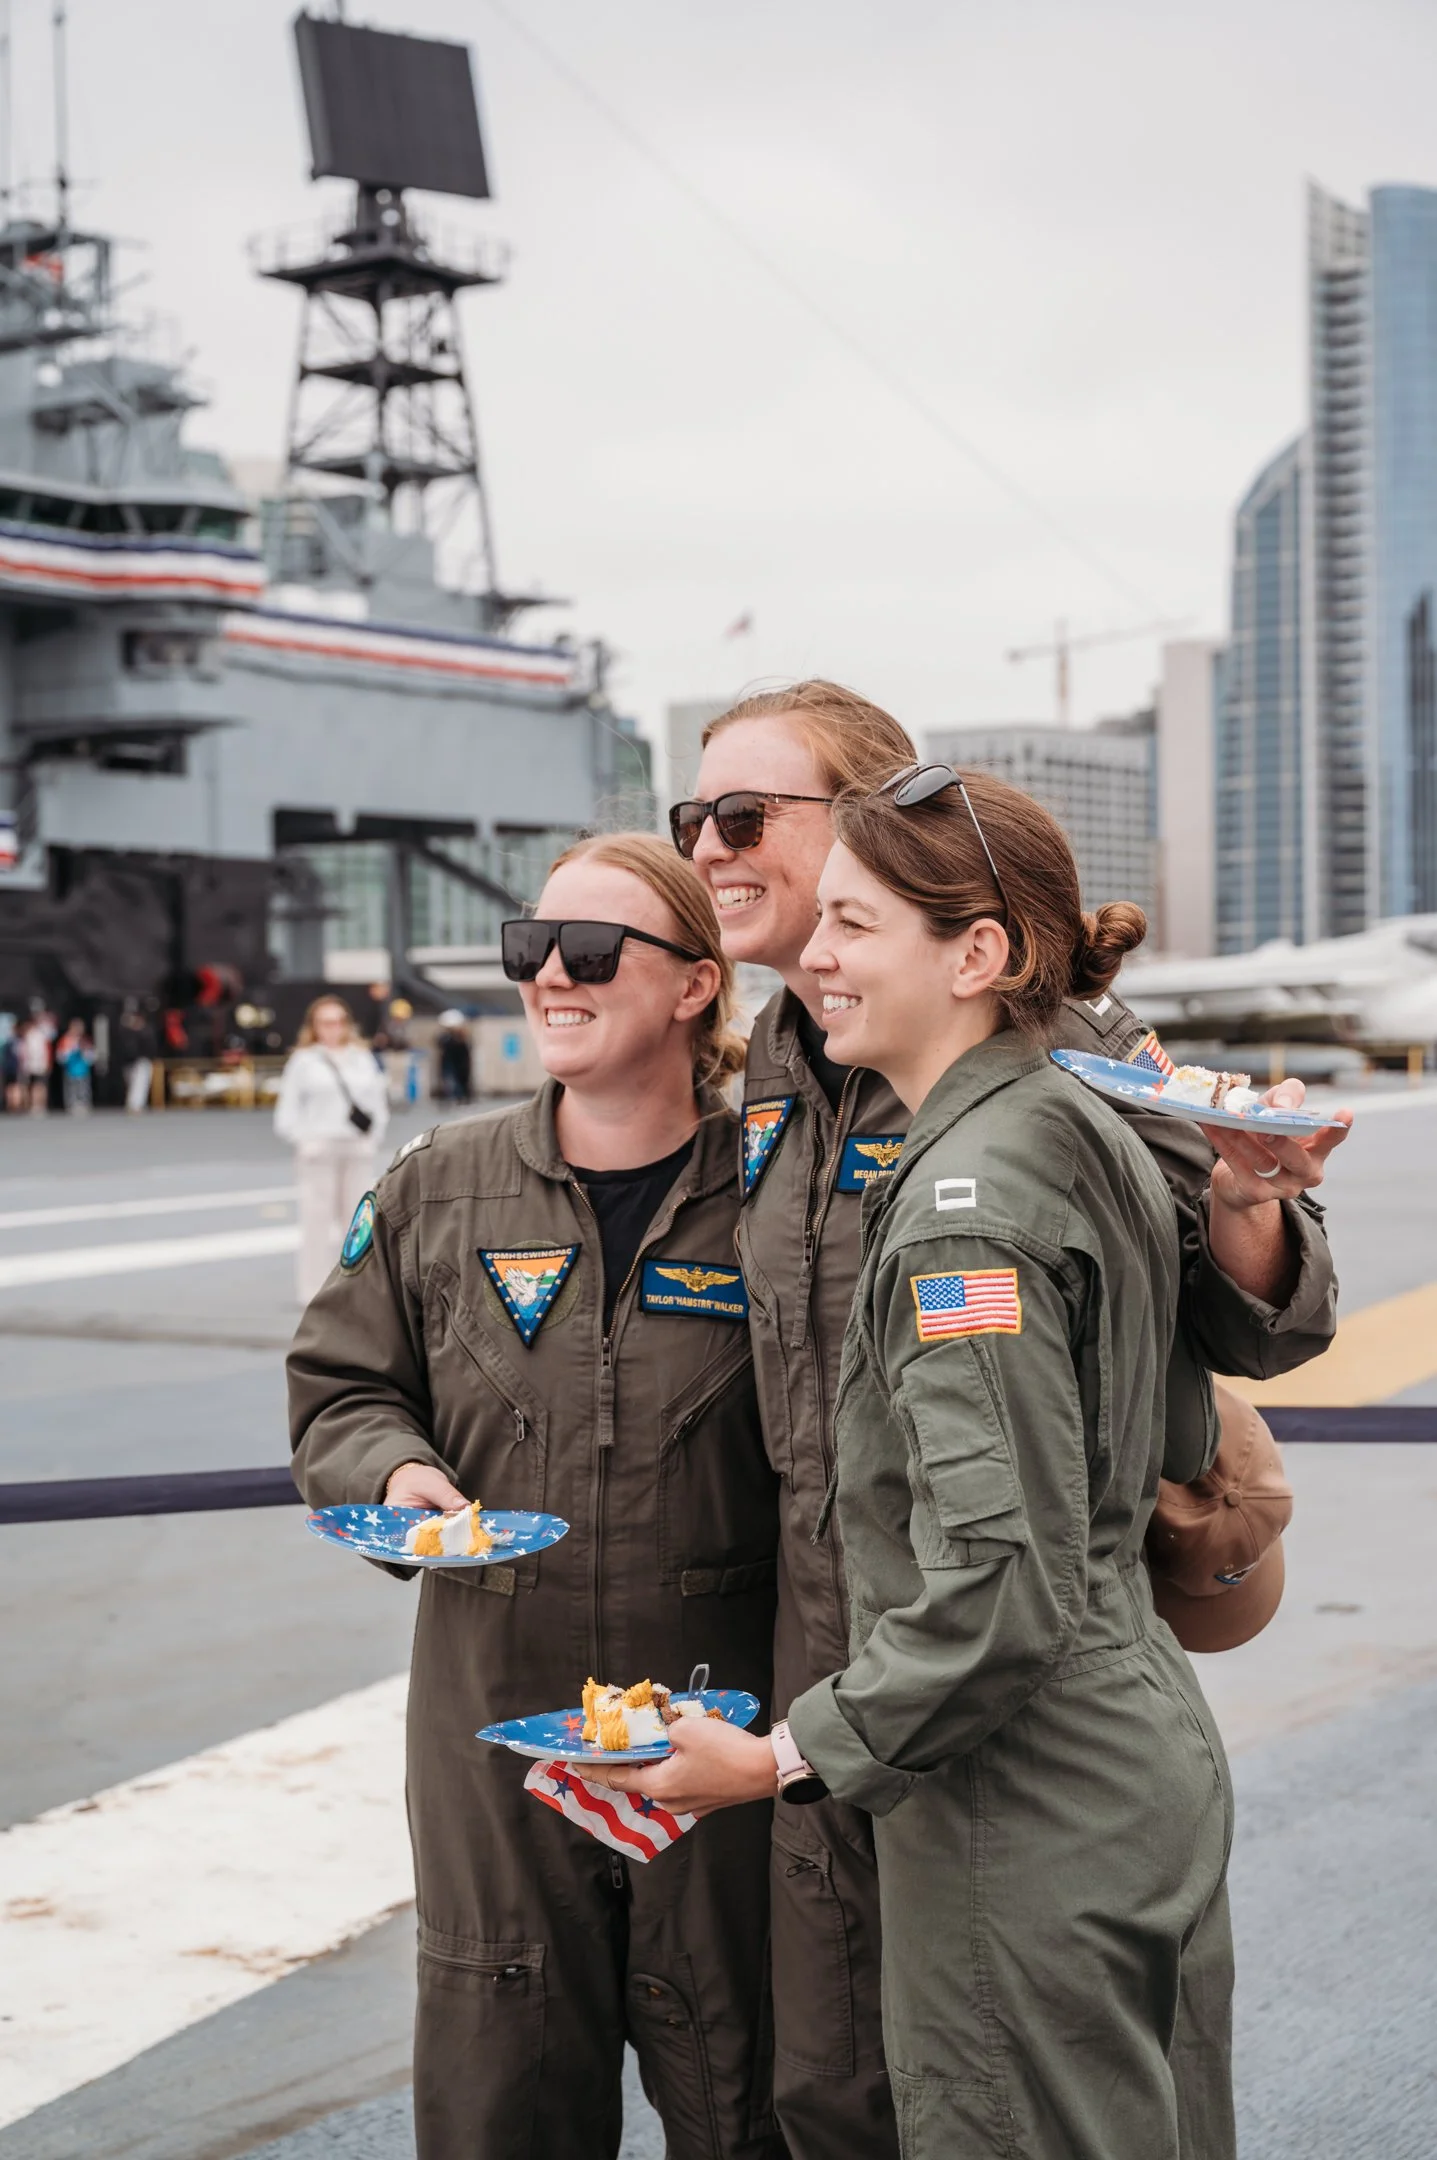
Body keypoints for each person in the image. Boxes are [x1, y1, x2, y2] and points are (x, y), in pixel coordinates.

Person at [659, 682, 1347, 2159]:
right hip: (870, 1657)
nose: (708, 847)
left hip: (979, 1679)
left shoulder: (1065, 1060)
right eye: (689, 818)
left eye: (742, 817)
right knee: (860, 2076)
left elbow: (1245, 1315)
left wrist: (1241, 1205)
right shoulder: (784, 1059)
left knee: (1002, 2083)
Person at [287, 835, 785, 2160]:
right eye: (529, 949)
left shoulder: (784, 1200)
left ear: (694, 985)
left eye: (591, 951)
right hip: (496, 1720)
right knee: (501, 2089)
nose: (548, 978)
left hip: (721, 1723)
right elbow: (339, 1390)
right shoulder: (434, 1189)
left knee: (746, 2087)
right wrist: (395, 1473)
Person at [274, 996, 390, 1305]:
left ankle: (360, 1288)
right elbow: (287, 1110)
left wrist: (373, 1139)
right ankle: (312, 1290)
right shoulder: (304, 1060)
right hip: (319, 1148)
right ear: (314, 1026)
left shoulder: (361, 1057)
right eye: (326, 1022)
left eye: (339, 1020)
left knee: (359, 1223)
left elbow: (378, 1104)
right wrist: (303, 1139)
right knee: (316, 1221)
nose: (333, 1028)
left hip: (356, 1147)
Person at [55, 1019, 95, 1114]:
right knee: (71, 1088)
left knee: (83, 1087)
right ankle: (71, 1104)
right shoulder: (65, 1040)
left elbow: (92, 1055)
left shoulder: (86, 1040)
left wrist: (85, 1052)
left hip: (83, 1069)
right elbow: (60, 1056)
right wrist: (70, 1050)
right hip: (70, 1069)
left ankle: (83, 1104)